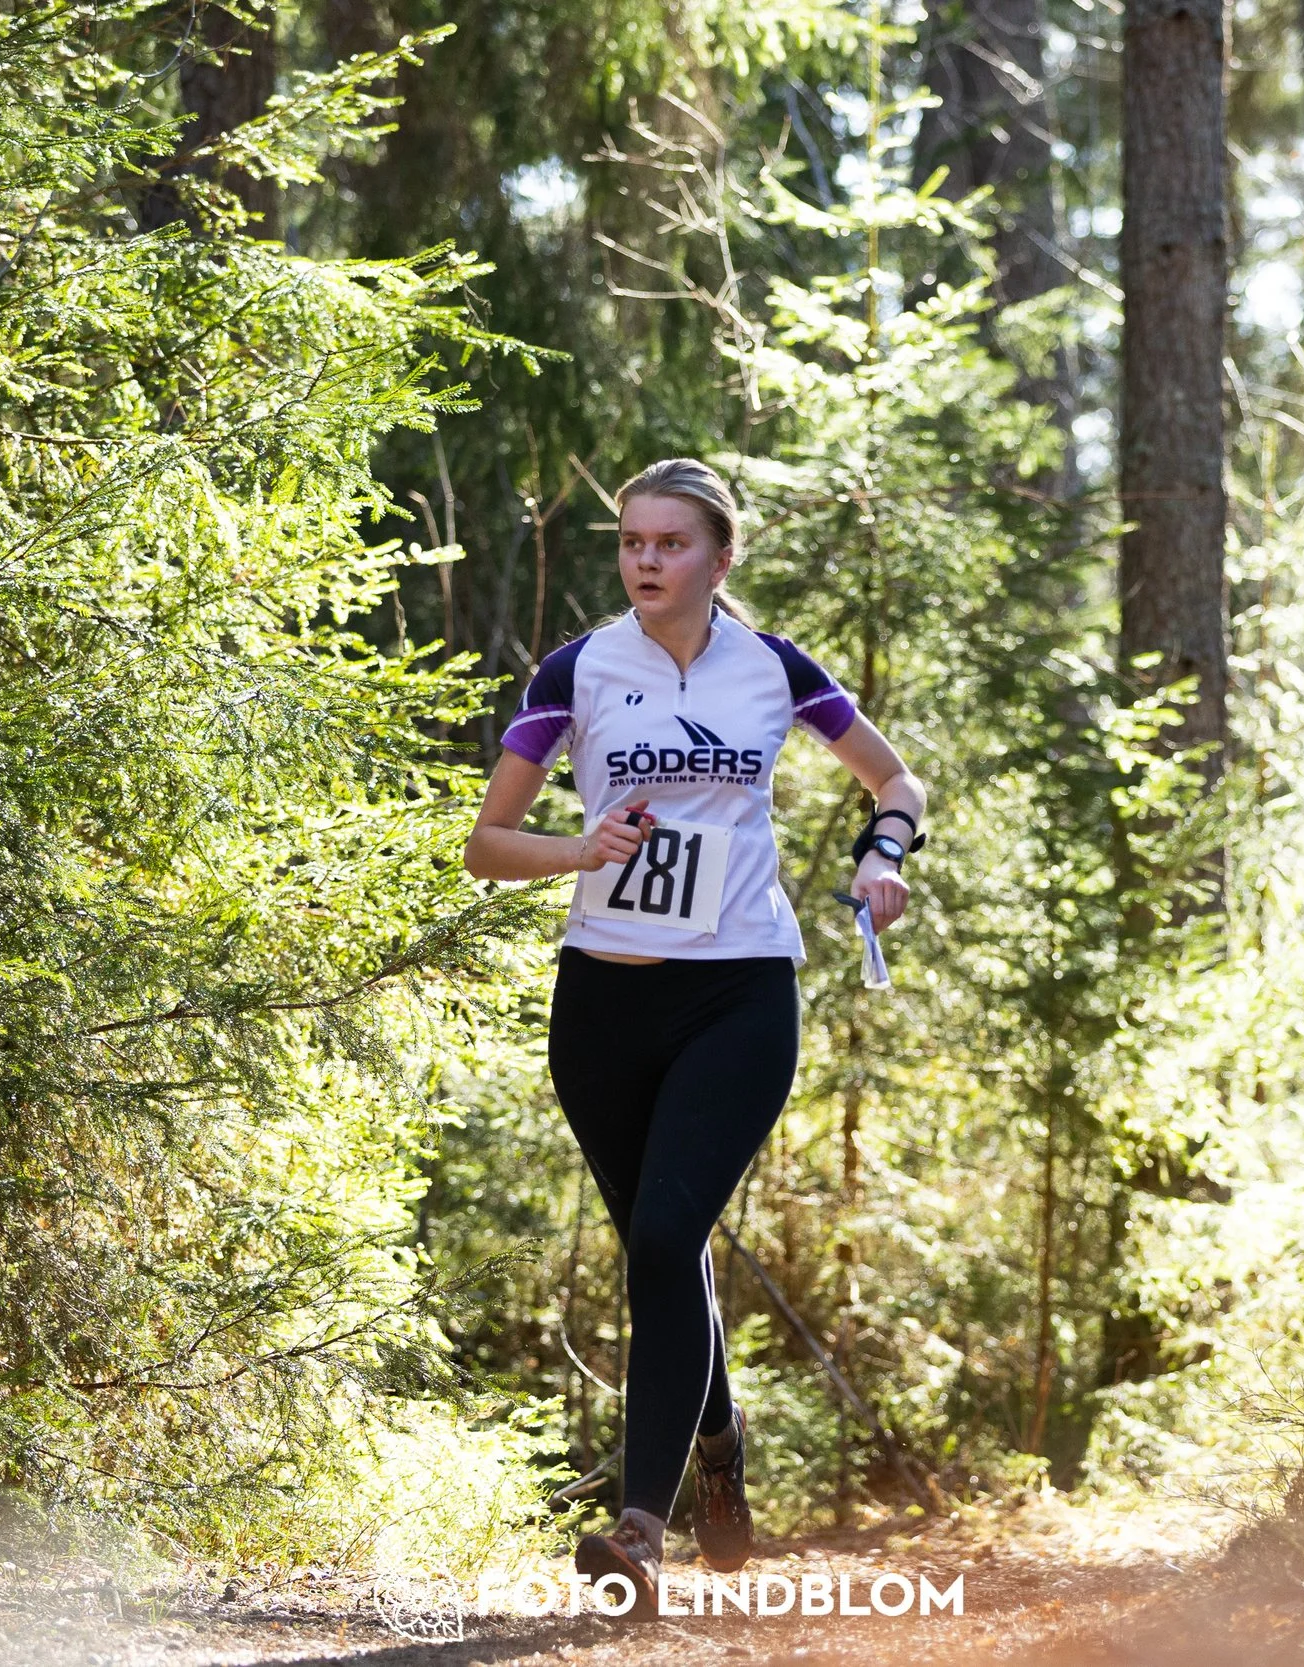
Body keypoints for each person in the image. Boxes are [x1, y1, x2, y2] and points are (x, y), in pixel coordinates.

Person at [462, 457, 928, 1614]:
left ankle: (637, 1529)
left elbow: (895, 777)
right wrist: (579, 852)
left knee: (669, 1232)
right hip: (603, 1004)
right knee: (660, 1252)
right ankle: (717, 1441)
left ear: (721, 558)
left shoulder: (774, 669)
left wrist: (883, 855)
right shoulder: (579, 668)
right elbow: (486, 842)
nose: (646, 561)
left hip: (739, 988)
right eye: (631, 543)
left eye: (671, 543)